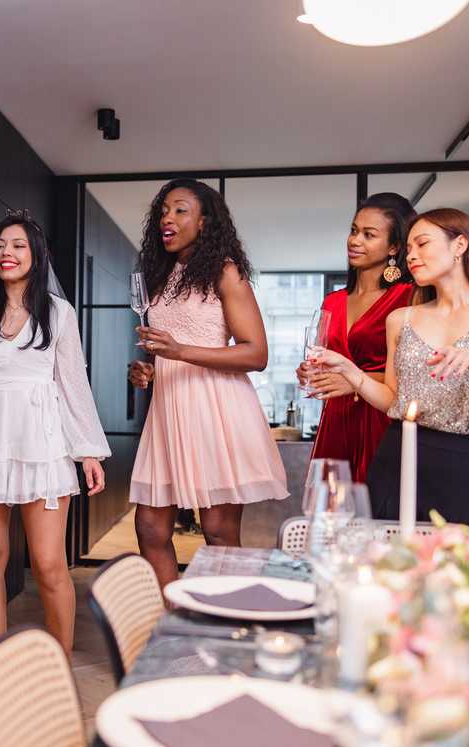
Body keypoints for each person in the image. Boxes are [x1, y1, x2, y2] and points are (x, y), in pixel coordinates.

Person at [0, 211, 109, 656]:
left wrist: (89, 452)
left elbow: (73, 383)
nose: (7, 253)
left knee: (49, 563)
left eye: (18, 245)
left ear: (36, 256)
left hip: (42, 443)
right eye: (1, 245)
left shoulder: (59, 313)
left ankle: (58, 667)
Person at [313, 207, 469, 526]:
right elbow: (393, 401)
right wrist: (351, 373)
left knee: (463, 570)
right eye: (408, 249)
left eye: (422, 244)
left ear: (460, 245)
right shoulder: (401, 319)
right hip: (397, 458)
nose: (411, 256)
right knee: (387, 566)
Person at [128, 178, 288, 590]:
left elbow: (256, 353)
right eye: (163, 210)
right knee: (149, 528)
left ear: (204, 222)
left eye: (180, 210)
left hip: (215, 410)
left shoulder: (225, 272)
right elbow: (164, 349)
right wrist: (148, 369)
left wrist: (179, 352)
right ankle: (172, 625)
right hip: (167, 412)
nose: (167, 218)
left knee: (217, 531)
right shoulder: (158, 278)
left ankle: (226, 625)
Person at [297, 192, 415, 482]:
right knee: (330, 517)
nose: (354, 240)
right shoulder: (332, 302)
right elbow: (325, 359)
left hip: (382, 422)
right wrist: (309, 373)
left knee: (378, 516)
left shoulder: (408, 298)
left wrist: (353, 381)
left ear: (394, 247)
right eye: (353, 231)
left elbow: (414, 374)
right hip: (336, 423)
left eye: (368, 234)